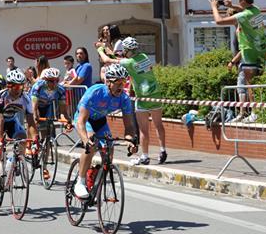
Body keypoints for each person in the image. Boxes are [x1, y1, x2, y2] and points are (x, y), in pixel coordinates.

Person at [72, 64, 139, 199]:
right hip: (85, 120)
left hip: (101, 121)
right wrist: (85, 140)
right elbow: (81, 122)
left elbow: (129, 125)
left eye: (124, 82)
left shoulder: (124, 98)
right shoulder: (95, 92)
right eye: (118, 82)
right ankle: (81, 181)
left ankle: (96, 182)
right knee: (92, 144)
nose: (121, 86)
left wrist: (130, 140)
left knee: (109, 149)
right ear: (108, 82)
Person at [212, 0, 266, 123]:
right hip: (261, 48)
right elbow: (244, 9)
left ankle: (255, 113)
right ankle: (258, 112)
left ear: (243, 0)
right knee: (257, 82)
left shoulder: (242, 16)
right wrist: (231, 6)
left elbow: (219, 21)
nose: (238, 1)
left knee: (250, 84)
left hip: (250, 51)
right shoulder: (256, 10)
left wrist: (214, 7)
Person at [0, 69, 35, 205]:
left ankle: (14, 160)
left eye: (21, 85)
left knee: (23, 137)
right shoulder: (1, 97)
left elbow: (30, 121)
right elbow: (0, 120)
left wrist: (35, 140)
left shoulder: (26, 98)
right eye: (15, 86)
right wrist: (1, 141)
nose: (18, 89)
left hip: (13, 120)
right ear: (9, 85)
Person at [116, 37, 167, 165]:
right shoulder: (144, 56)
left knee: (143, 129)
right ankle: (163, 150)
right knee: (158, 124)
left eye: (124, 50)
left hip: (143, 97)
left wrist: (101, 49)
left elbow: (108, 60)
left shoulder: (128, 63)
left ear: (127, 50)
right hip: (155, 93)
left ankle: (145, 156)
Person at [30, 67, 69, 181]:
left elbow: (63, 111)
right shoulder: (38, 86)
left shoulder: (60, 89)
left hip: (47, 106)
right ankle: (32, 144)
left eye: (57, 80)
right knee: (34, 121)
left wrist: (66, 121)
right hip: (35, 105)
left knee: (47, 138)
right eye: (52, 81)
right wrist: (35, 118)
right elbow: (34, 108)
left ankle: (44, 167)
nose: (55, 83)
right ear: (46, 80)